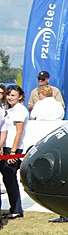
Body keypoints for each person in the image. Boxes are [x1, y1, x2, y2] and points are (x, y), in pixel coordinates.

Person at [1, 85, 28, 218]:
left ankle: (16, 209)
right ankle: (14, 208)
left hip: (13, 148)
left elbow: (19, 132)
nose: (10, 97)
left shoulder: (20, 110)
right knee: (7, 178)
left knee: (10, 178)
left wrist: (13, 152)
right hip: (6, 147)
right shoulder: (9, 110)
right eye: (9, 95)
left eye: (13, 95)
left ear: (20, 96)